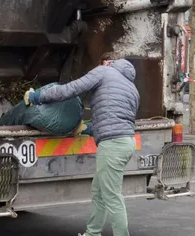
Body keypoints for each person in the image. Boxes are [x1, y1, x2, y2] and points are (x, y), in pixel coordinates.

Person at [23, 58, 139, 236]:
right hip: (126, 141)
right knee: (99, 192)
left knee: (112, 196)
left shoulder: (103, 71)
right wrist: (89, 128)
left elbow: (71, 89)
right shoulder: (132, 88)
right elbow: (119, 118)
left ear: (108, 63)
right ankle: (92, 233)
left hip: (112, 144)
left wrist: (38, 97)